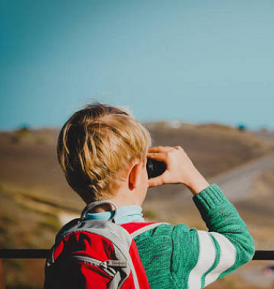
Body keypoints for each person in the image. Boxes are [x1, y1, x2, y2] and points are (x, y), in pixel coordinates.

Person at [52, 103, 255, 289]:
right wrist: (193, 177)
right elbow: (240, 243)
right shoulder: (169, 244)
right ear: (135, 174)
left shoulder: (68, 241)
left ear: (72, 180)